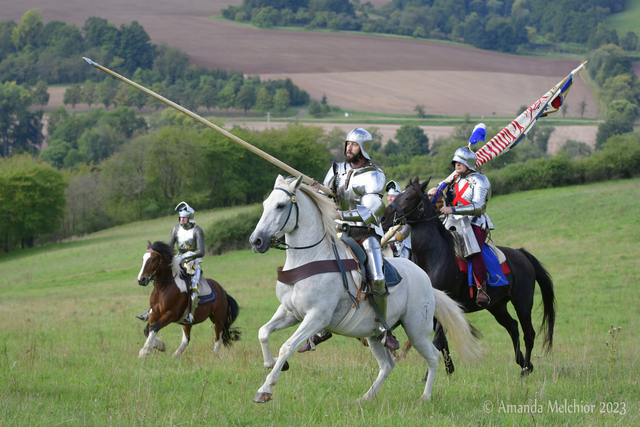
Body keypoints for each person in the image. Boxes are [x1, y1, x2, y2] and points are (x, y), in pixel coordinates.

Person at [305, 127, 399, 351]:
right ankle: (321, 328)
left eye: (354, 144)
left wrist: (340, 214)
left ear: (363, 148)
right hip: (337, 232)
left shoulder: (374, 174)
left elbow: (373, 209)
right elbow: (329, 196)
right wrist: (317, 191)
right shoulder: (337, 169)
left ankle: (383, 328)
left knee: (376, 277)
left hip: (364, 233)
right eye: (348, 143)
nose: (349, 148)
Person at [427, 137, 493, 305]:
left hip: (474, 223)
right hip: (453, 222)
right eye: (455, 162)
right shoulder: (454, 181)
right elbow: (444, 202)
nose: (456, 164)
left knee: (472, 250)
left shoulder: (480, 180)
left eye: (460, 162)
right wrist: (435, 194)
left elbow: (478, 207)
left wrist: (453, 209)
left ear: (469, 163)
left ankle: (481, 289)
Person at [135, 201, 206, 324]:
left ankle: (190, 314)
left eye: (184, 217)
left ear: (190, 217)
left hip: (193, 262)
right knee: (160, 280)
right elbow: (169, 246)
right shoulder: (176, 229)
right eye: (180, 217)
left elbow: (201, 251)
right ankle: (151, 310)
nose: (182, 219)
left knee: (194, 287)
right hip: (177, 260)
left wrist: (186, 257)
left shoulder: (197, 230)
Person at [384, 180, 412, 260]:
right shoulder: (385, 212)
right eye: (389, 196)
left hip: (402, 243)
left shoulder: (405, 213)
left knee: (404, 263)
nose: (390, 198)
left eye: (392, 196)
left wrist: (390, 240)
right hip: (386, 244)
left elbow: (405, 232)